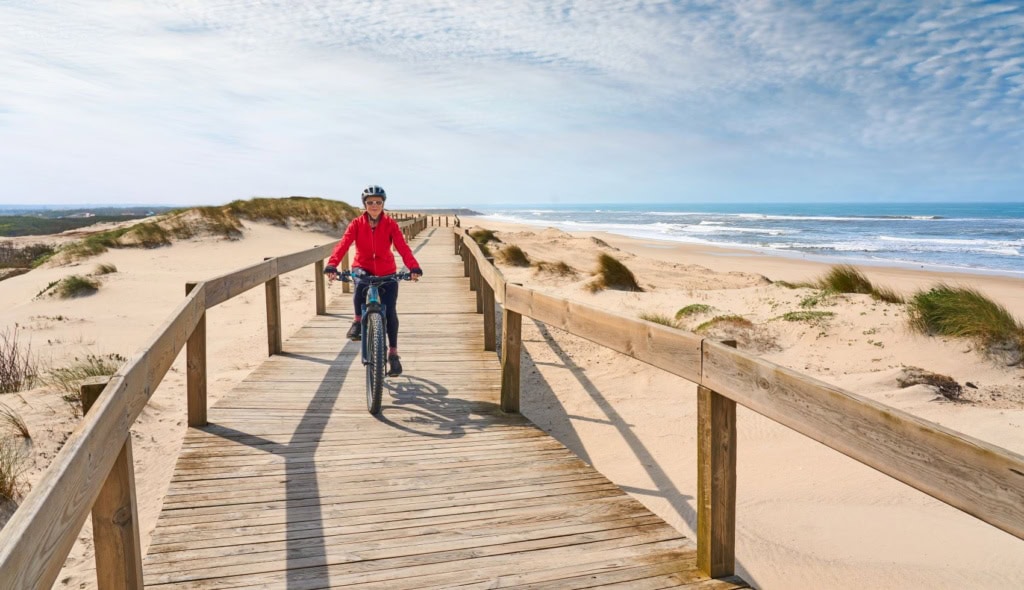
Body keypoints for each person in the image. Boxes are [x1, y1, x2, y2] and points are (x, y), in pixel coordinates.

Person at [323, 185, 422, 377]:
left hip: (387, 271)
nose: (374, 205)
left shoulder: (390, 224)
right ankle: (358, 321)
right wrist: (332, 264)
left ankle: (393, 354)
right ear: (365, 205)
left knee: (391, 311)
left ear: (383, 204)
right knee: (360, 283)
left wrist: (413, 267)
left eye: (378, 202)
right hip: (363, 267)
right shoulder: (356, 224)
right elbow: (343, 244)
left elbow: (402, 247)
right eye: (370, 203)